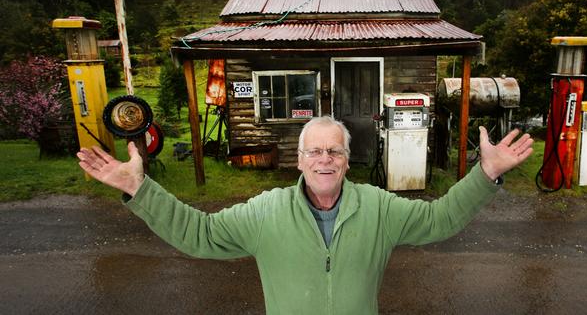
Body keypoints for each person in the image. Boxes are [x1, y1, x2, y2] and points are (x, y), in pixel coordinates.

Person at [77, 116, 533, 315]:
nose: (324, 159)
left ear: (347, 159)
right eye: (313, 151)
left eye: (334, 150)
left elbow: (440, 221)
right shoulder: (266, 212)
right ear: (298, 160)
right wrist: (139, 187)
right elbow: (201, 234)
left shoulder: (378, 207)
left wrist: (485, 173)